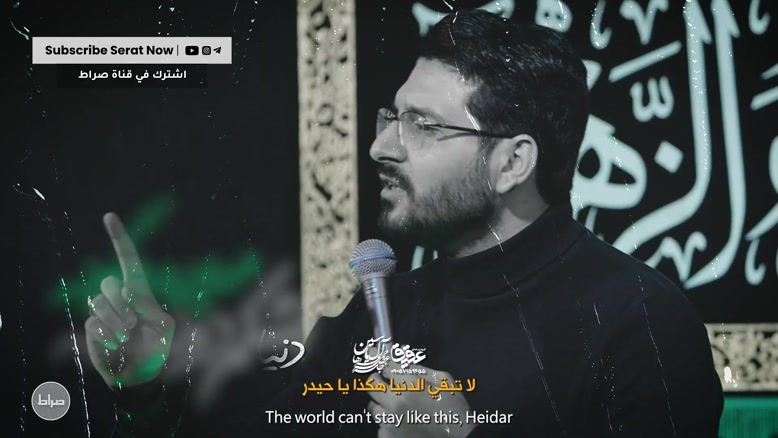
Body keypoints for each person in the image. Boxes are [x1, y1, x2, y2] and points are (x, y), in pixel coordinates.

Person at [85, 9, 723, 437]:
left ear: (513, 162)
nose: (381, 147)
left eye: (423, 125)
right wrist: (149, 384)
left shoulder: (641, 322)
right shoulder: (381, 309)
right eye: (393, 117)